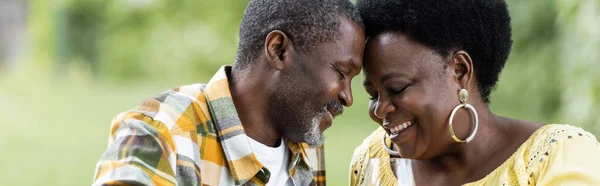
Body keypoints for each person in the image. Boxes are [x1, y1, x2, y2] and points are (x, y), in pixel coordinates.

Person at [92, 0, 365, 185]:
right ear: (278, 50)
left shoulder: (306, 147)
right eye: (341, 73)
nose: (348, 98)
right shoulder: (161, 135)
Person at [349, 0, 600, 185]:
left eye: (397, 89)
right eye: (373, 94)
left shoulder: (557, 158)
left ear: (459, 71)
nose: (380, 109)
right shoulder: (373, 162)